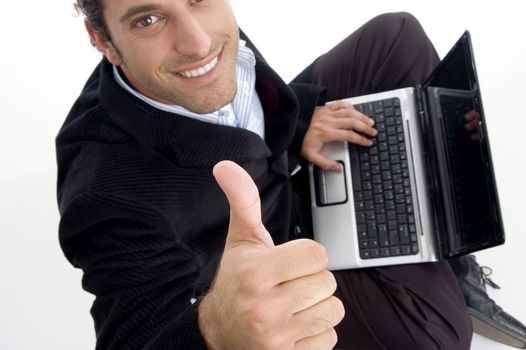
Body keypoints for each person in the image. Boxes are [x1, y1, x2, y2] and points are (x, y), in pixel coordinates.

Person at [56, 0, 525, 349]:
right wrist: (215, 329)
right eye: (148, 19)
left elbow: (248, 101)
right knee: (436, 333)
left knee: (394, 36)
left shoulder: (203, 38)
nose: (197, 41)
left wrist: (300, 123)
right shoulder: (105, 197)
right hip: (271, 256)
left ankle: (447, 249)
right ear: (104, 42)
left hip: (283, 170)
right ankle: (425, 254)